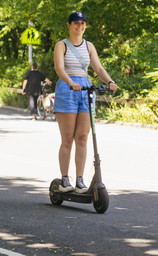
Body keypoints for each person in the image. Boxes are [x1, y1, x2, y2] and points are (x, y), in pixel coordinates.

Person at [53, 11, 117, 193]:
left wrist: (110, 82)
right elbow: (59, 68)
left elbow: (97, 67)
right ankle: (65, 178)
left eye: (83, 23)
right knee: (67, 139)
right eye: (76, 23)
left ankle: (80, 179)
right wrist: (71, 82)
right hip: (68, 87)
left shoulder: (89, 46)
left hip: (85, 89)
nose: (80, 26)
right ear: (69, 25)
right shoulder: (61, 45)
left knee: (82, 137)